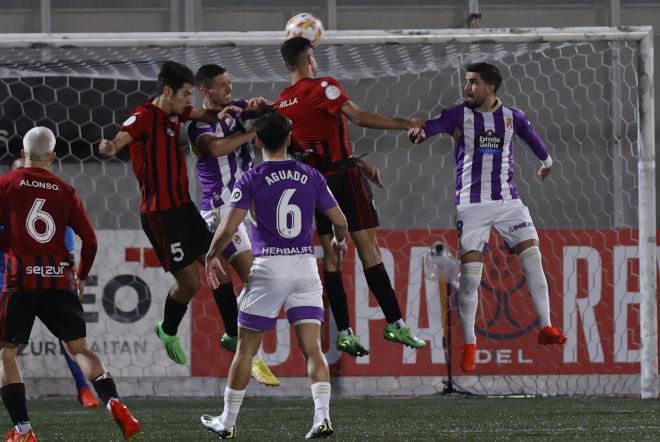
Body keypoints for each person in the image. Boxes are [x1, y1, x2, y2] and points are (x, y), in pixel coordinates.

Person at [409, 62, 567, 374]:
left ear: (490, 87)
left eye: (473, 83)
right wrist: (419, 133)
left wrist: (547, 161)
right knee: (470, 278)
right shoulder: (458, 115)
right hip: (472, 205)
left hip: (509, 202)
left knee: (533, 257)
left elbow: (532, 137)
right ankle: (470, 343)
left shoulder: (511, 116)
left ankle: (546, 326)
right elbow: (433, 127)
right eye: (466, 82)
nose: (467, 88)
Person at [274, 37, 426, 357]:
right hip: (344, 179)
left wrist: (359, 162)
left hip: (315, 185)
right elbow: (359, 117)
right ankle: (395, 322)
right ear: (307, 59)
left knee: (331, 258)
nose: (315, 62)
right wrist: (407, 124)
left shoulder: (282, 103)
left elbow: (308, 148)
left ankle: (343, 331)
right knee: (368, 249)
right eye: (313, 57)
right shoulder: (324, 87)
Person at [200, 112, 347, 439]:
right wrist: (338, 240)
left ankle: (227, 421)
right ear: (289, 138)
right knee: (313, 349)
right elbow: (340, 220)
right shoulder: (311, 175)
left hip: (269, 267)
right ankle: (321, 417)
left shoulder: (251, 178)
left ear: (256, 141)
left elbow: (228, 227)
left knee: (246, 350)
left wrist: (211, 255)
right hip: (305, 267)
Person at [0, 127, 140, 441]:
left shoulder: (5, 184)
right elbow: (89, 241)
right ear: (52, 156)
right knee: (79, 348)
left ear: (23, 154)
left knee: (6, 353)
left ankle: (23, 430)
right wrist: (80, 275)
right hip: (59, 278)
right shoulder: (65, 190)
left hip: (20, 279)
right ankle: (115, 402)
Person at [98, 61, 235, 365]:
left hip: (184, 208)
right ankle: (167, 329)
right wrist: (110, 146)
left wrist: (234, 108)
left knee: (219, 267)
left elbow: (206, 113)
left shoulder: (178, 112)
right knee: (191, 283)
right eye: (186, 94)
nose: (189, 101)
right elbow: (122, 137)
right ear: (168, 91)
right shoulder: (145, 116)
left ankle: (234, 335)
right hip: (161, 216)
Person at [188, 64, 279, 386]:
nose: (229, 89)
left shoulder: (237, 109)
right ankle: (247, 351)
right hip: (219, 211)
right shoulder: (198, 127)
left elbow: (271, 113)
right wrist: (255, 132)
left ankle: (234, 334)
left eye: (230, 84)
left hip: (242, 210)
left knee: (256, 281)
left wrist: (261, 106)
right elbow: (216, 148)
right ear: (205, 91)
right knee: (254, 278)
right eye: (222, 86)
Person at [1, 158, 100, 409]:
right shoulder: (8, 198)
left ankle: (83, 388)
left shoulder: (49, 198)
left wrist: (73, 270)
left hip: (42, 272)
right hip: (8, 274)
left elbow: (66, 237)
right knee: (10, 344)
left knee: (65, 338)